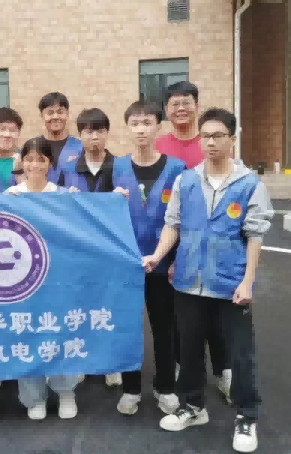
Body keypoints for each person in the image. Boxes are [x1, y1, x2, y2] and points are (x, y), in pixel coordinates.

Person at [144, 108, 273, 453]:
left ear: (232, 139)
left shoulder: (249, 184)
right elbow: (173, 224)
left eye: (218, 136)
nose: (211, 142)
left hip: (230, 284)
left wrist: (247, 282)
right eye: (206, 136)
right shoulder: (186, 181)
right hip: (188, 281)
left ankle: (247, 415)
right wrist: (158, 255)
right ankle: (193, 406)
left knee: (239, 354)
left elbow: (255, 236)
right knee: (189, 349)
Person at [156, 81, 232, 400]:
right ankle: (181, 366)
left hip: (211, 244)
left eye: (186, 102)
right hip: (173, 239)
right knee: (178, 314)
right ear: (166, 110)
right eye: (174, 104)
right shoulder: (160, 146)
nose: (181, 109)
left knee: (215, 312)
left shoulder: (210, 143)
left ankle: (224, 371)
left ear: (196, 106)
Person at [112, 100, 185, 416]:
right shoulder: (116, 168)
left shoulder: (177, 169)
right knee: (127, 327)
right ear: (127, 128)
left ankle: (165, 387)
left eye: (147, 123)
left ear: (159, 127)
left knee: (164, 328)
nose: (141, 129)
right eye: (135, 123)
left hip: (163, 264)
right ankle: (130, 389)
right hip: (126, 265)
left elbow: (185, 220)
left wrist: (177, 260)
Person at [6, 137, 78, 420]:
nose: (34, 165)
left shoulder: (63, 195)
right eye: (29, 159)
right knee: (26, 333)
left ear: (50, 164)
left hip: (56, 278)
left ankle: (66, 391)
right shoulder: (10, 195)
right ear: (22, 162)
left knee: (59, 331)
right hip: (21, 280)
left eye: (41, 159)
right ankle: (34, 397)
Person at [56, 107, 122, 387]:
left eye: (99, 131)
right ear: (80, 135)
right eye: (88, 131)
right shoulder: (68, 168)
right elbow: (57, 207)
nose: (94, 137)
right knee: (79, 305)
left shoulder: (120, 167)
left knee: (109, 307)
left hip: (110, 251)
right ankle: (82, 358)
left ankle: (110, 363)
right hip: (78, 252)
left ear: (107, 134)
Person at [36, 92, 83, 184]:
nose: (55, 117)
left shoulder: (81, 147)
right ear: (42, 115)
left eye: (60, 112)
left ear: (67, 114)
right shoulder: (32, 147)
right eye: (50, 113)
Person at [0, 107, 24, 192]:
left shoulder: (25, 162)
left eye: (12, 130)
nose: (7, 134)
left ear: (19, 133)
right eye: (2, 129)